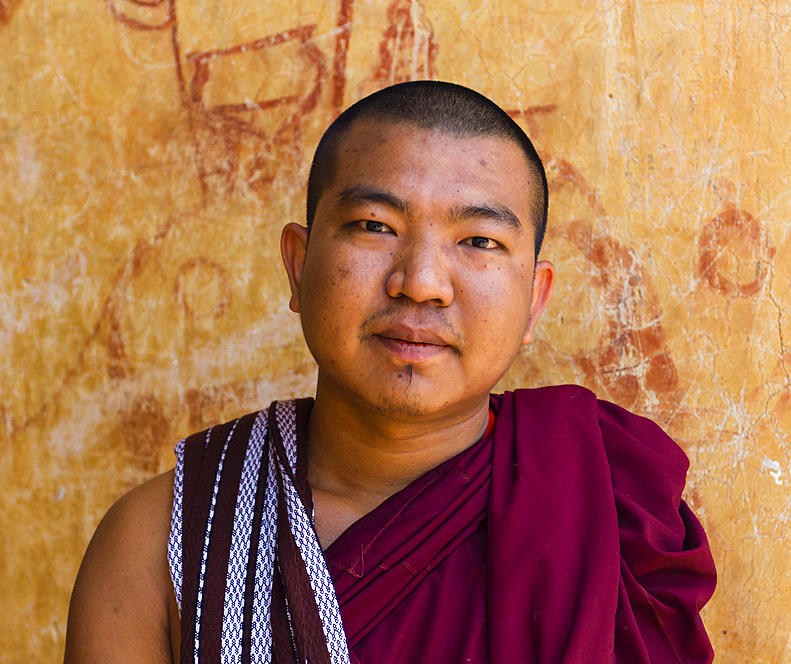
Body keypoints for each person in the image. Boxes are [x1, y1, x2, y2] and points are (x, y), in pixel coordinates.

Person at [65, 80, 716, 664]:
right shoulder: (165, 541)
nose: (422, 283)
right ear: (298, 264)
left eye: (479, 241)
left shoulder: (609, 515)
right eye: (375, 225)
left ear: (535, 300)